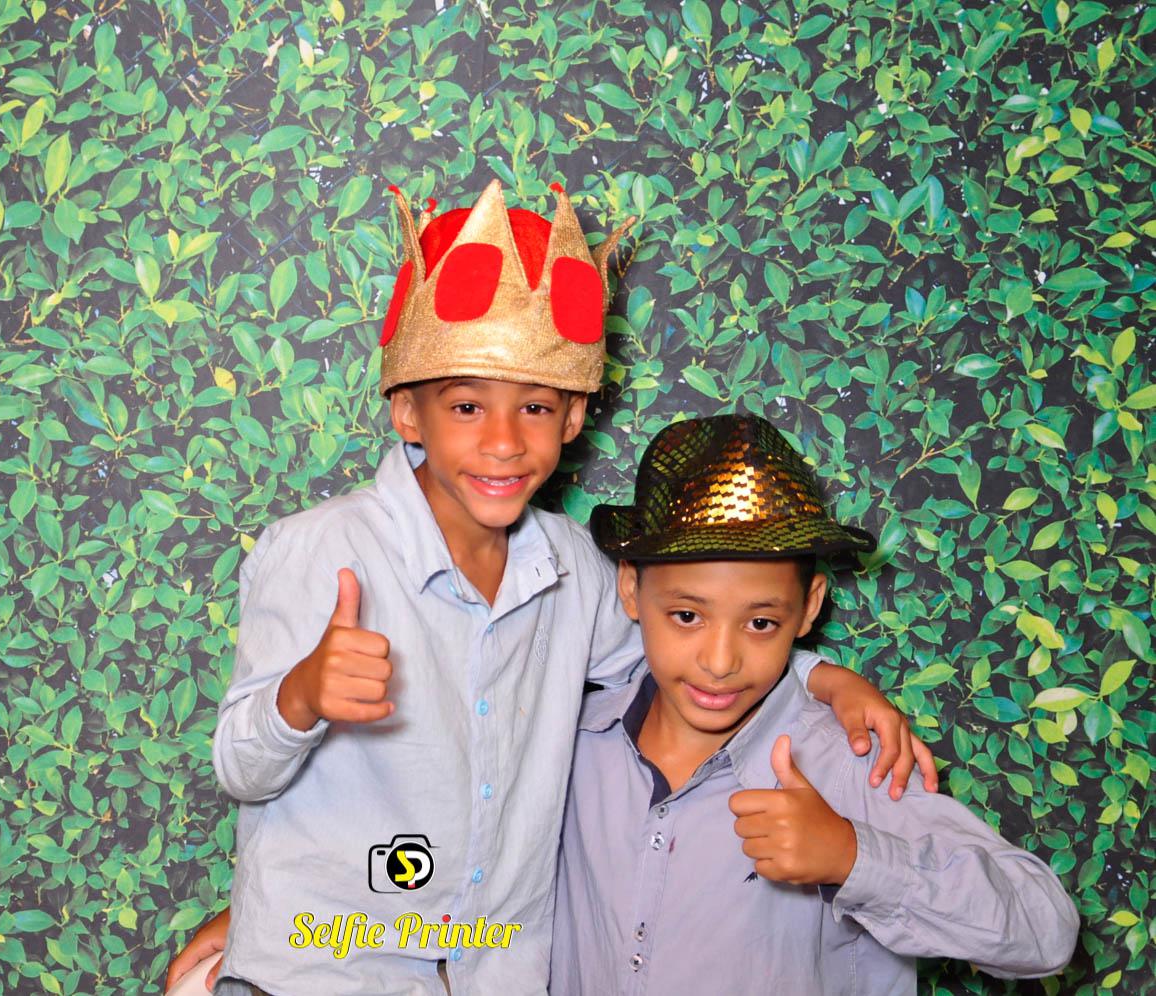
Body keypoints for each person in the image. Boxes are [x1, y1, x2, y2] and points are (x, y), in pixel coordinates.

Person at [203, 179, 931, 996]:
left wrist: (824, 678)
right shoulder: (318, 551)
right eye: (467, 407)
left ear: (574, 418)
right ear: (408, 412)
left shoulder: (576, 568)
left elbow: (684, 649)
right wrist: (301, 696)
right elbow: (241, 769)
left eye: (537, 409)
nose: (504, 442)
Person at [551, 413, 1078, 994]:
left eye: (759, 623)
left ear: (809, 607)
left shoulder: (849, 759)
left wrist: (854, 857)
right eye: (687, 615)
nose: (720, 662)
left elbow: (1047, 933)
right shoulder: (569, 747)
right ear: (630, 587)